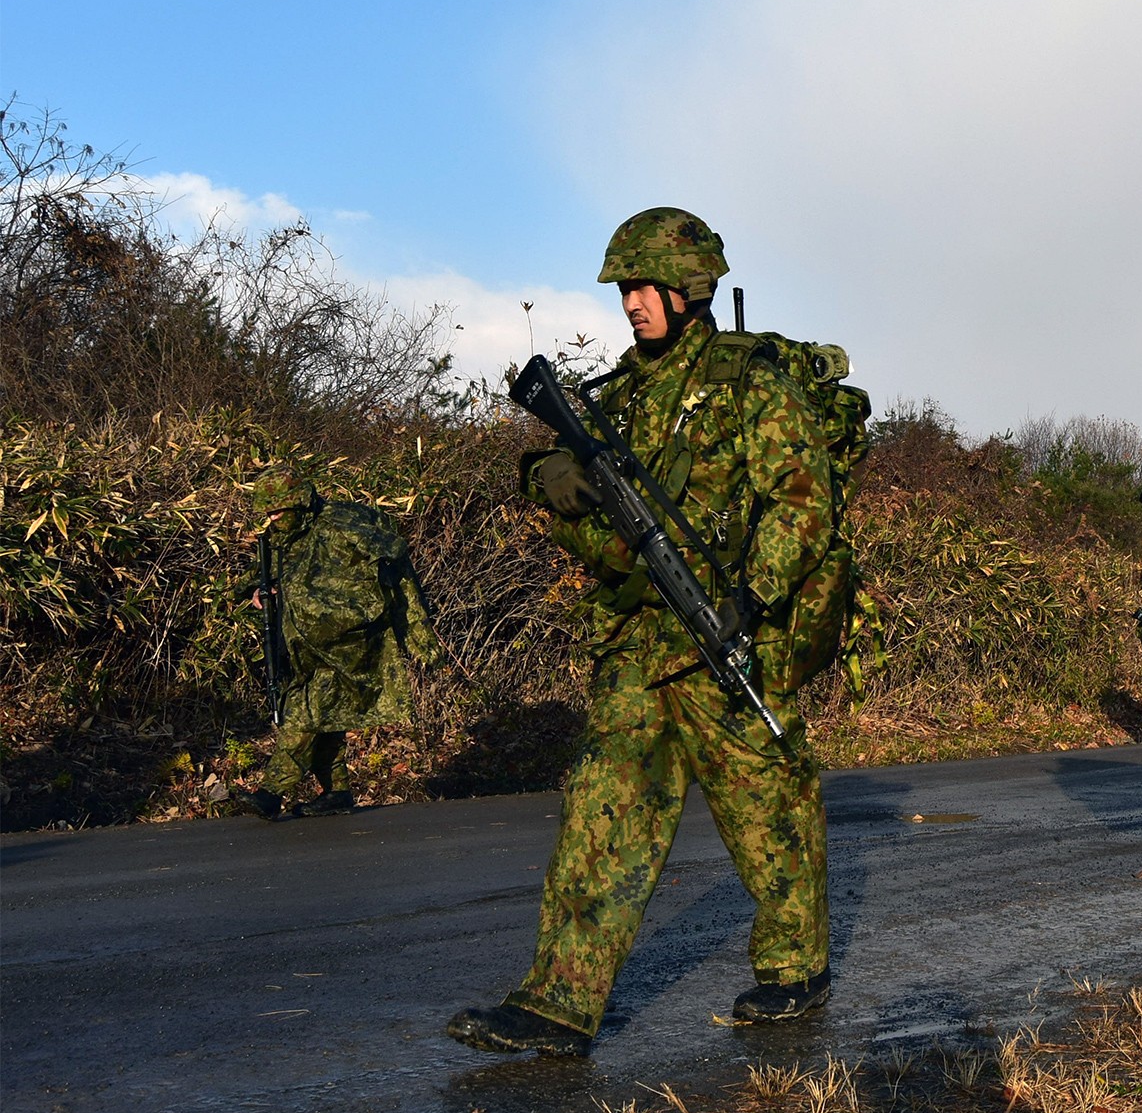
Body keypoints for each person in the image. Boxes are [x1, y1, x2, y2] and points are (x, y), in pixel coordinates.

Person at [448, 208, 851, 1058]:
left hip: (724, 636)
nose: (630, 303)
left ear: (689, 286)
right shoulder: (620, 395)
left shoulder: (750, 381)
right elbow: (590, 512)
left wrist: (752, 596)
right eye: (623, 288)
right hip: (636, 640)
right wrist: (548, 475)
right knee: (603, 815)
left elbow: (801, 501)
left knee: (767, 809)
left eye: (642, 286)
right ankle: (558, 1004)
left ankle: (794, 969)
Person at [236, 464, 440, 821]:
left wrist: (414, 631)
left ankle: (270, 793)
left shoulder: (340, 524)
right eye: (267, 512)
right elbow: (270, 574)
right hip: (303, 644)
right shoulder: (285, 536)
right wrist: (261, 591)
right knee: (324, 715)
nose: (272, 518)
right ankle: (337, 791)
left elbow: (391, 555)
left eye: (278, 510)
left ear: (298, 502)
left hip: (348, 643)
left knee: (307, 711)